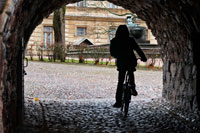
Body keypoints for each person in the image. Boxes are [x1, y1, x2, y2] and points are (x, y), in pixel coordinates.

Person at [110, 25, 147, 108]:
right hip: (131, 60)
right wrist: (143, 57)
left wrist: (118, 55)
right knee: (131, 72)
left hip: (121, 62)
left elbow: (112, 53)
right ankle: (133, 88)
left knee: (120, 82)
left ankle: (118, 102)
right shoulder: (130, 40)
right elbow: (138, 49)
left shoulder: (114, 41)